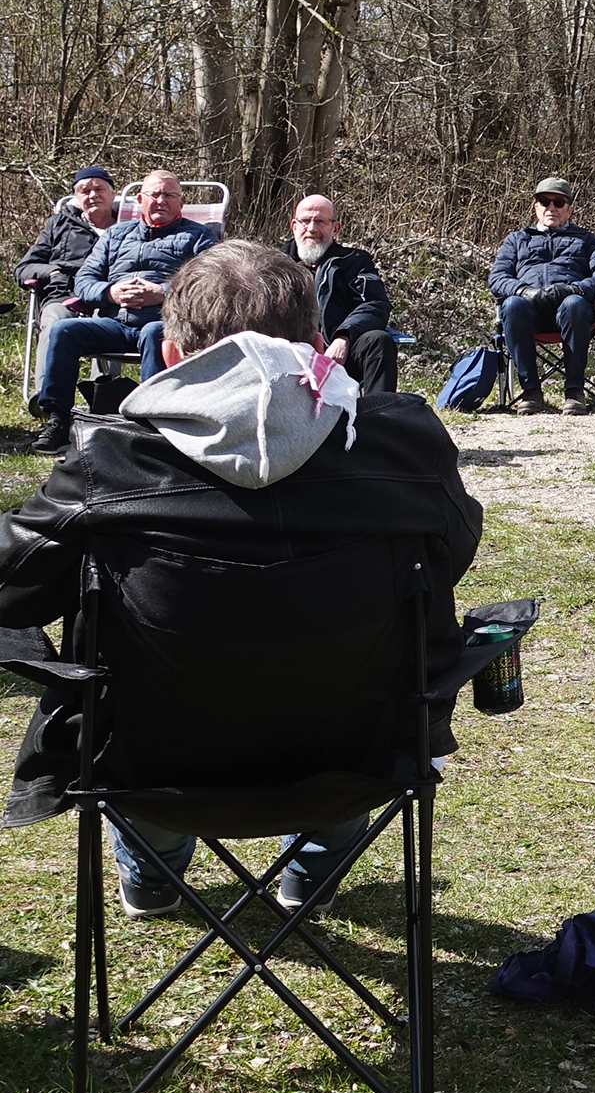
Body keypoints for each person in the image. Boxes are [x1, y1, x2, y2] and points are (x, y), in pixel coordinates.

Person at [0, 241, 483, 919]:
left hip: (150, 769)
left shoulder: (104, 460)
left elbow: (11, 586)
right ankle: (310, 872)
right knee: (364, 689)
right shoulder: (404, 442)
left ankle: (155, 872)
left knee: (131, 705)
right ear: (320, 345)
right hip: (357, 758)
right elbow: (454, 551)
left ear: (169, 357)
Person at [34, 170, 223, 454]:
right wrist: (110, 292)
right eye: (154, 194)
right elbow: (84, 281)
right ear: (140, 199)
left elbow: (211, 284)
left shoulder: (199, 237)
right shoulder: (114, 235)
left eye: (169, 195)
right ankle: (58, 420)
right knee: (64, 329)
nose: (161, 200)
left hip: (164, 323)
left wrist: (162, 292)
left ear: (181, 202)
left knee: (152, 332)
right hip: (114, 324)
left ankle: (151, 423)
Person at [487, 177, 595, 415]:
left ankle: (574, 391)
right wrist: (522, 291)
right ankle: (531, 392)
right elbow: (497, 278)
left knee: (574, 304)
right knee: (512, 305)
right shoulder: (517, 240)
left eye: (558, 202)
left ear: (569, 208)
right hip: (529, 309)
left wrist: (575, 289)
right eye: (544, 201)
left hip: (572, 313)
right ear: (535, 206)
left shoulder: (587, 240)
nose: (551, 208)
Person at [286, 194, 398, 394]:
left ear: (335, 228)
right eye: (305, 221)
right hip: (287, 355)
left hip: (338, 355)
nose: (312, 229)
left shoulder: (355, 261)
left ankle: (380, 418)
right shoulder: (275, 263)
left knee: (378, 341)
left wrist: (344, 337)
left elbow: (375, 304)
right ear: (294, 225)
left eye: (321, 221)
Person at [16, 165, 116, 338]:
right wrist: (53, 272)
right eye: (85, 191)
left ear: (113, 195)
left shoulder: (129, 227)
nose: (93, 195)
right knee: (55, 324)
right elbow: (23, 268)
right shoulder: (58, 224)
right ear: (77, 199)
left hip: (108, 297)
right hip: (63, 295)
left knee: (111, 325)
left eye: (99, 189)